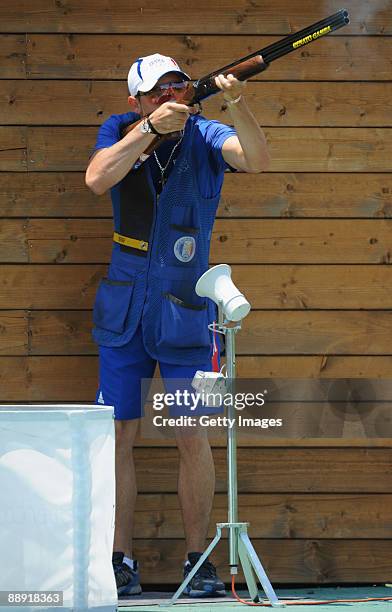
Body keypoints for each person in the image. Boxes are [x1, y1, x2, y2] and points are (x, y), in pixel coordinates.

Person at [85, 53, 269, 598]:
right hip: (125, 303)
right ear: (136, 100)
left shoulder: (207, 128)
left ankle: (199, 563)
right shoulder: (120, 129)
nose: (170, 99)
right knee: (119, 434)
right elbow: (98, 179)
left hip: (187, 304)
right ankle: (120, 560)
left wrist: (237, 101)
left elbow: (255, 159)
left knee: (194, 433)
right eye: (157, 92)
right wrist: (146, 130)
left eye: (177, 89)